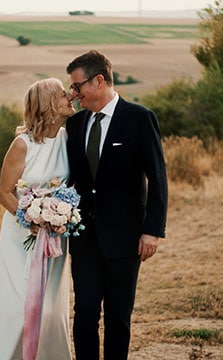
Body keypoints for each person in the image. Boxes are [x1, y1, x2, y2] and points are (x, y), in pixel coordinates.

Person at [65, 50, 168, 359]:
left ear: (99, 80)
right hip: (83, 240)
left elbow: (158, 179)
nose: (74, 94)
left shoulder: (139, 118)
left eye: (78, 86)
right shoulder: (74, 125)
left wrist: (152, 231)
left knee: (118, 318)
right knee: (84, 313)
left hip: (124, 239)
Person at [0, 78, 75, 360]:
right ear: (50, 104)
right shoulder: (22, 144)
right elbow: (4, 193)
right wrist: (32, 220)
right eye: (64, 94)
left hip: (55, 238)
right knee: (19, 311)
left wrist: (55, 219)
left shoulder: (67, 139)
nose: (70, 97)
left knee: (51, 310)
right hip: (20, 239)